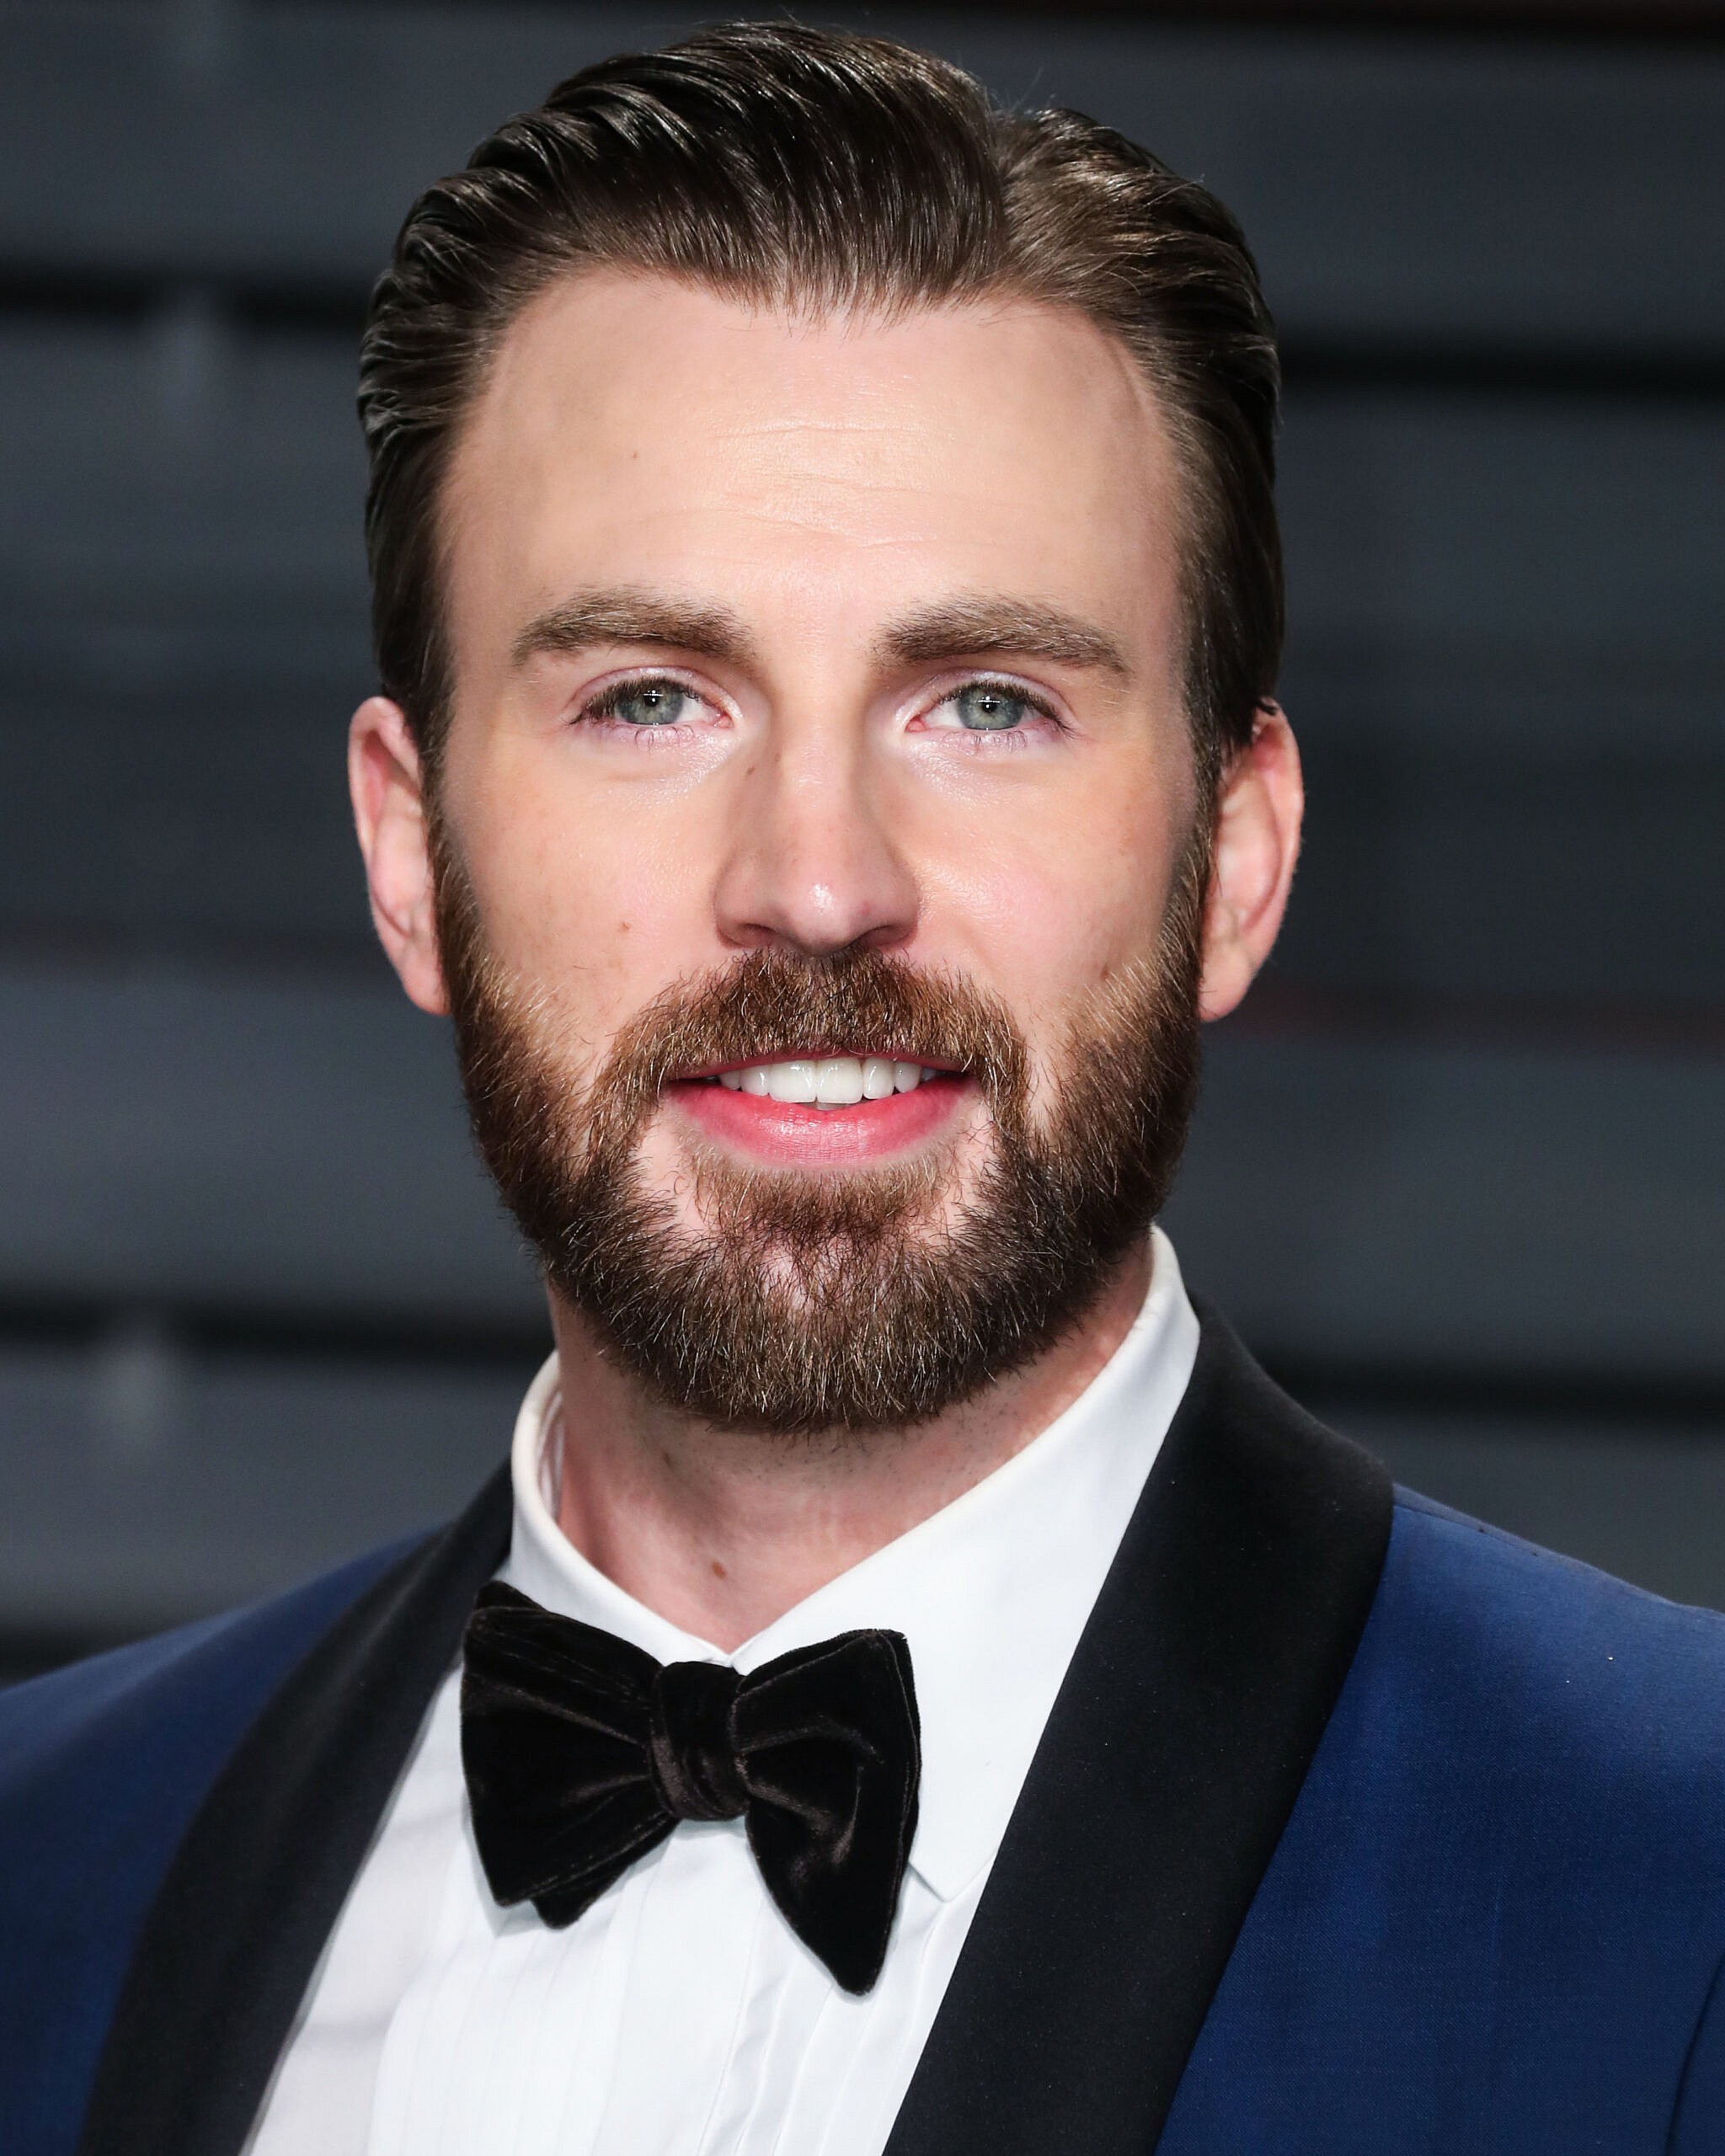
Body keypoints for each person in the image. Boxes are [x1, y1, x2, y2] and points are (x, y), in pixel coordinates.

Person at [5, 24, 1724, 2156]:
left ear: (1238, 858)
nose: (815, 880)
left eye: (984, 701)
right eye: (649, 696)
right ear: (404, 850)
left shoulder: (1681, 1896)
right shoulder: (40, 1871)